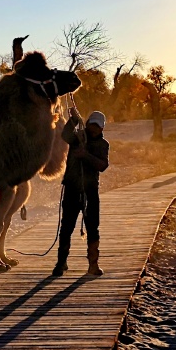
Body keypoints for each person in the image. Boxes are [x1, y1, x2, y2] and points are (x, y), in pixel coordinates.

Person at [52, 106, 110, 278]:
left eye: (97, 126)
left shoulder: (103, 144)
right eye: (92, 124)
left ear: (102, 128)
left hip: (90, 191)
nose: (94, 128)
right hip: (72, 189)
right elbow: (64, 135)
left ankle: (93, 264)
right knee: (66, 227)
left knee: (93, 228)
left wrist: (85, 155)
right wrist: (73, 120)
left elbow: (103, 165)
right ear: (88, 123)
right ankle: (61, 263)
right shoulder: (78, 137)